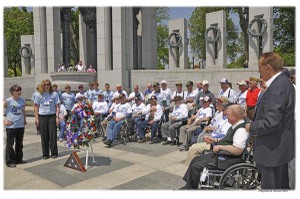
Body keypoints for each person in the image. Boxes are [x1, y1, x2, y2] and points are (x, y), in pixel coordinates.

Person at [247, 52, 295, 189]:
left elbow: (271, 122)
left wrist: (251, 126)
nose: (258, 70)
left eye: (260, 67)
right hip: (277, 150)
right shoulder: (283, 83)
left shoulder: (277, 87)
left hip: (272, 151)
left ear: (268, 67)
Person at [181, 105, 248, 189]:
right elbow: (227, 139)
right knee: (195, 159)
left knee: (197, 166)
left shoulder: (240, 130)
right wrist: (214, 140)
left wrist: (220, 147)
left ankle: (190, 189)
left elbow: (238, 150)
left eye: (228, 115)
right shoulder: (235, 125)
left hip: (228, 159)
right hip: (223, 155)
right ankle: (189, 186)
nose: (226, 116)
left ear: (235, 116)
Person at [185, 97, 231, 165]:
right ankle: (193, 167)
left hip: (216, 142)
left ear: (224, 106)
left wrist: (211, 137)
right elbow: (213, 126)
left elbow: (223, 135)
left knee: (193, 148)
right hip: (210, 137)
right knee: (196, 139)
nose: (216, 104)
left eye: (219, 103)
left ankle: (191, 168)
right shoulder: (220, 115)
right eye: (216, 103)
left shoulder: (229, 119)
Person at [34, 79, 60, 159]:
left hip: (52, 116)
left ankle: (54, 153)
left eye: (48, 85)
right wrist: (36, 118)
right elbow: (36, 107)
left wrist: (57, 117)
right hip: (42, 116)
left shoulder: (54, 94)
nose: (46, 86)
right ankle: (45, 154)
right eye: (45, 85)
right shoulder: (39, 95)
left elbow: (57, 106)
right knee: (44, 136)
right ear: (42, 86)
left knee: (53, 135)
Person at [4, 85, 27, 168]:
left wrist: (24, 119)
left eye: (20, 90)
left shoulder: (22, 100)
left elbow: (23, 110)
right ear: (12, 92)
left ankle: (18, 159)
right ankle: (9, 161)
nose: (19, 92)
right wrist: (4, 121)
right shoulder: (8, 101)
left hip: (20, 125)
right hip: (11, 127)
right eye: (17, 90)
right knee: (10, 144)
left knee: (19, 144)